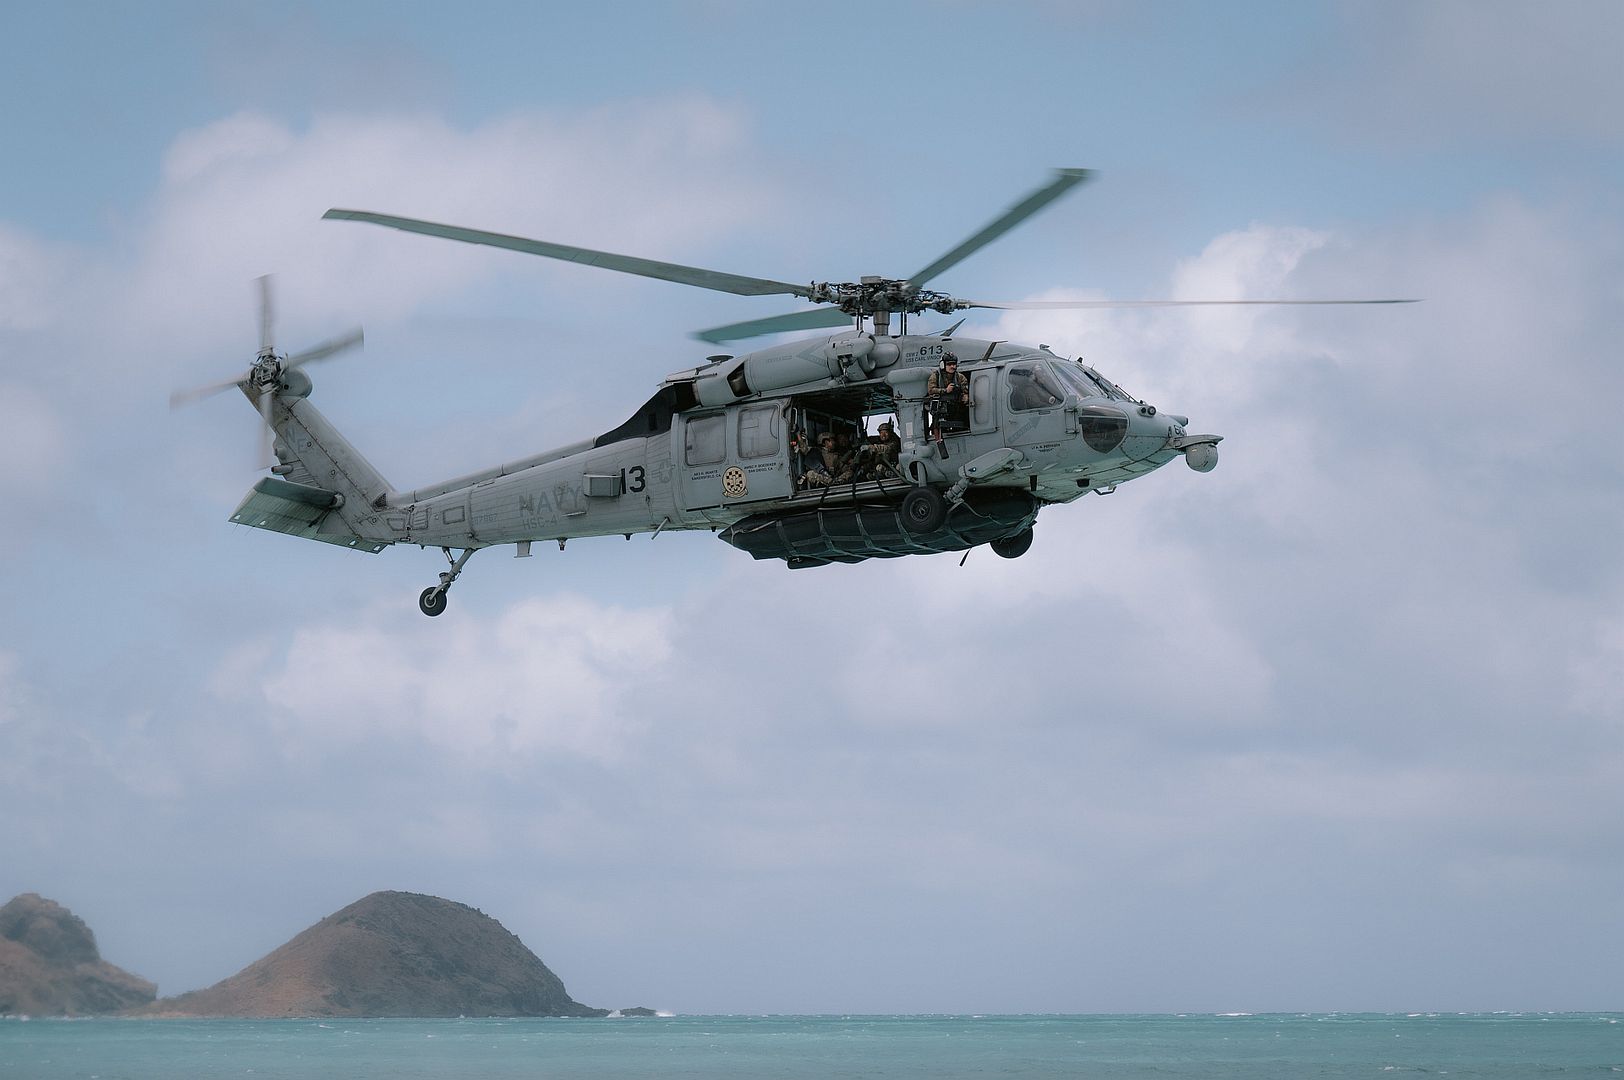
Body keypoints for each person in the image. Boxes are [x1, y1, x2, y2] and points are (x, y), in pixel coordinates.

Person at [927, 354, 971, 435]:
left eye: (954, 364)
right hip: (942, 409)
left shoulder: (960, 377)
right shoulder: (935, 376)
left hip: (956, 408)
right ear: (942, 365)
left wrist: (965, 396)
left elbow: (966, 390)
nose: (952, 366)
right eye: (949, 364)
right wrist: (945, 390)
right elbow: (931, 390)